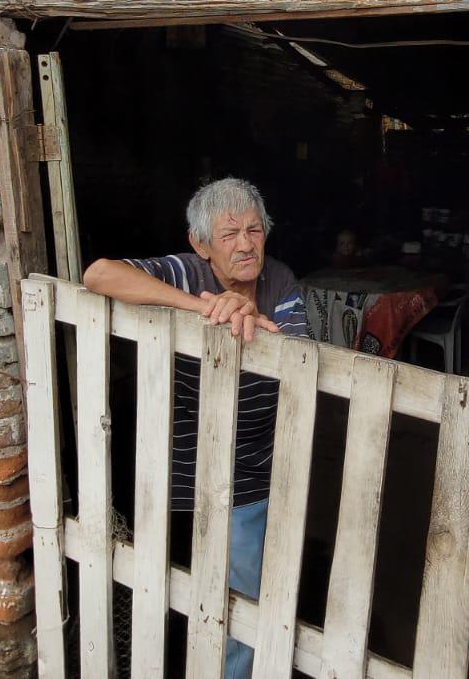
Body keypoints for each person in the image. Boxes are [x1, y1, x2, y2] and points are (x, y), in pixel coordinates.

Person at [82, 177, 308, 678]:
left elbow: (295, 357)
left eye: (254, 230)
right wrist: (205, 306)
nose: (245, 244)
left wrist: (247, 312)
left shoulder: (279, 281)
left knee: (239, 604)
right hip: (180, 466)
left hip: (251, 469)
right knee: (166, 588)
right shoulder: (185, 272)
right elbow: (99, 274)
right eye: (229, 234)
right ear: (201, 244)